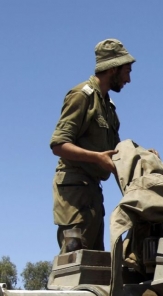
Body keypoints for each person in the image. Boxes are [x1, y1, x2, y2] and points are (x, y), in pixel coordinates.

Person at [49, 38, 136, 252]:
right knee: (74, 260)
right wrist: (97, 158)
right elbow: (58, 145)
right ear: (113, 69)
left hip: (93, 194)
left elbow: (115, 152)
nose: (128, 79)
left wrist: (141, 155)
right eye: (126, 71)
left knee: (94, 262)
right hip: (74, 194)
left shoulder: (107, 106)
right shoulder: (81, 96)